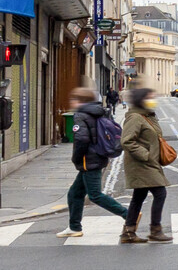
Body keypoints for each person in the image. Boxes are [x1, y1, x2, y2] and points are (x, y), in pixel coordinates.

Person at [60, 87, 129, 239]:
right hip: (98, 156)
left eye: (74, 99)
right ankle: (74, 227)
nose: (72, 102)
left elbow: (82, 139)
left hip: (88, 160)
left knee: (95, 195)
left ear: (80, 101)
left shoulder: (81, 115)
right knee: (75, 193)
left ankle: (128, 215)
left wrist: (76, 158)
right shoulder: (100, 112)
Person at [118, 88, 171, 244]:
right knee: (160, 193)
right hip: (141, 163)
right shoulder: (135, 117)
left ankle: (128, 232)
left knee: (139, 196)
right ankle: (155, 230)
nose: (153, 99)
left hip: (148, 163)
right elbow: (127, 141)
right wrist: (145, 155)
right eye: (149, 97)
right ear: (141, 100)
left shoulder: (147, 116)